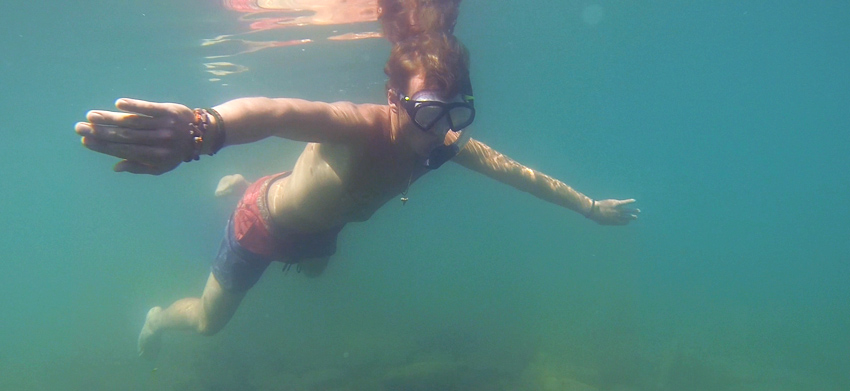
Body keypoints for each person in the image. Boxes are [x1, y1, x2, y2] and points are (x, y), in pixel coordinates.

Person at [75, 34, 638, 360]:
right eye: (422, 111)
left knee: (318, 268)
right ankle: (159, 312)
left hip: (323, 230)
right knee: (206, 323)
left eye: (452, 113)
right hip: (263, 225)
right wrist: (205, 128)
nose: (435, 130)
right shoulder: (360, 126)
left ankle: (248, 185)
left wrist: (588, 207)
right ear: (394, 100)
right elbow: (275, 112)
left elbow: (516, 173)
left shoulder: (442, 142)